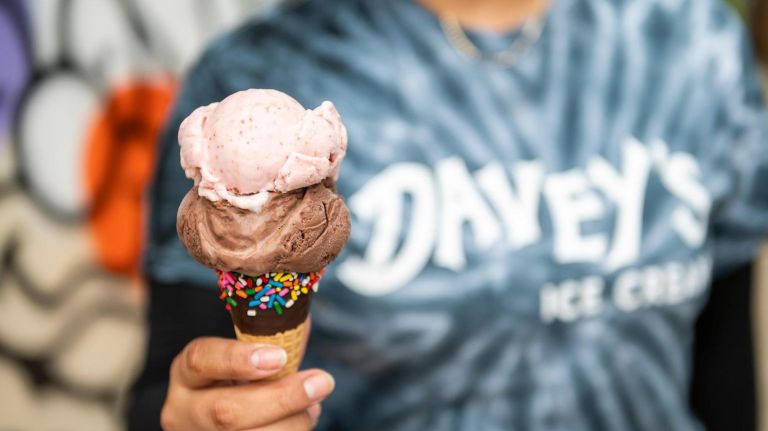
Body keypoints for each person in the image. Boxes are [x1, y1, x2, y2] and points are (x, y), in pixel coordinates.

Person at [128, 0, 768, 429]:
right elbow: (172, 393)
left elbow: (724, 370)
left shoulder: (694, 44)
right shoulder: (260, 70)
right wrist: (194, 418)